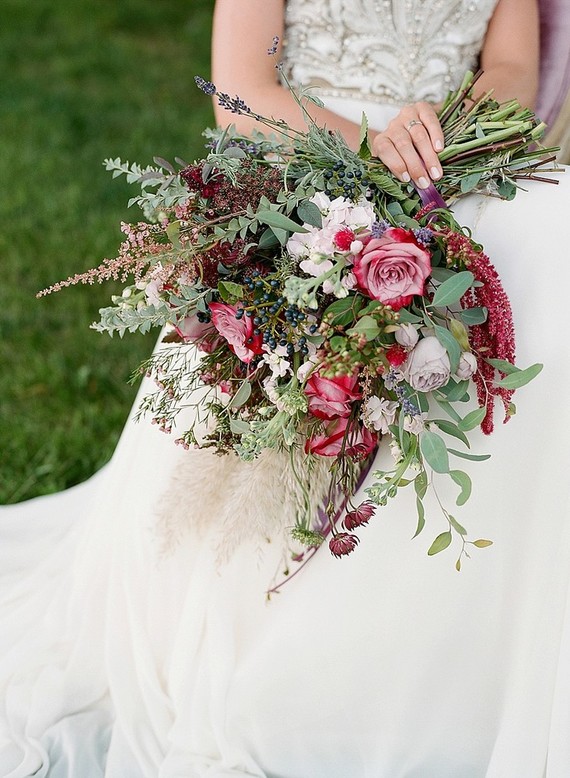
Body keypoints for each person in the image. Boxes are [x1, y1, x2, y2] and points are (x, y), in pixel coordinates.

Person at [1, 1, 569, 776]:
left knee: (554, 254)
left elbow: (510, 73)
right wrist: (372, 146)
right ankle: (321, 653)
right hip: (315, 155)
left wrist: (446, 133)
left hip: (452, 158)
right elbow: (241, 92)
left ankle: (503, 646)